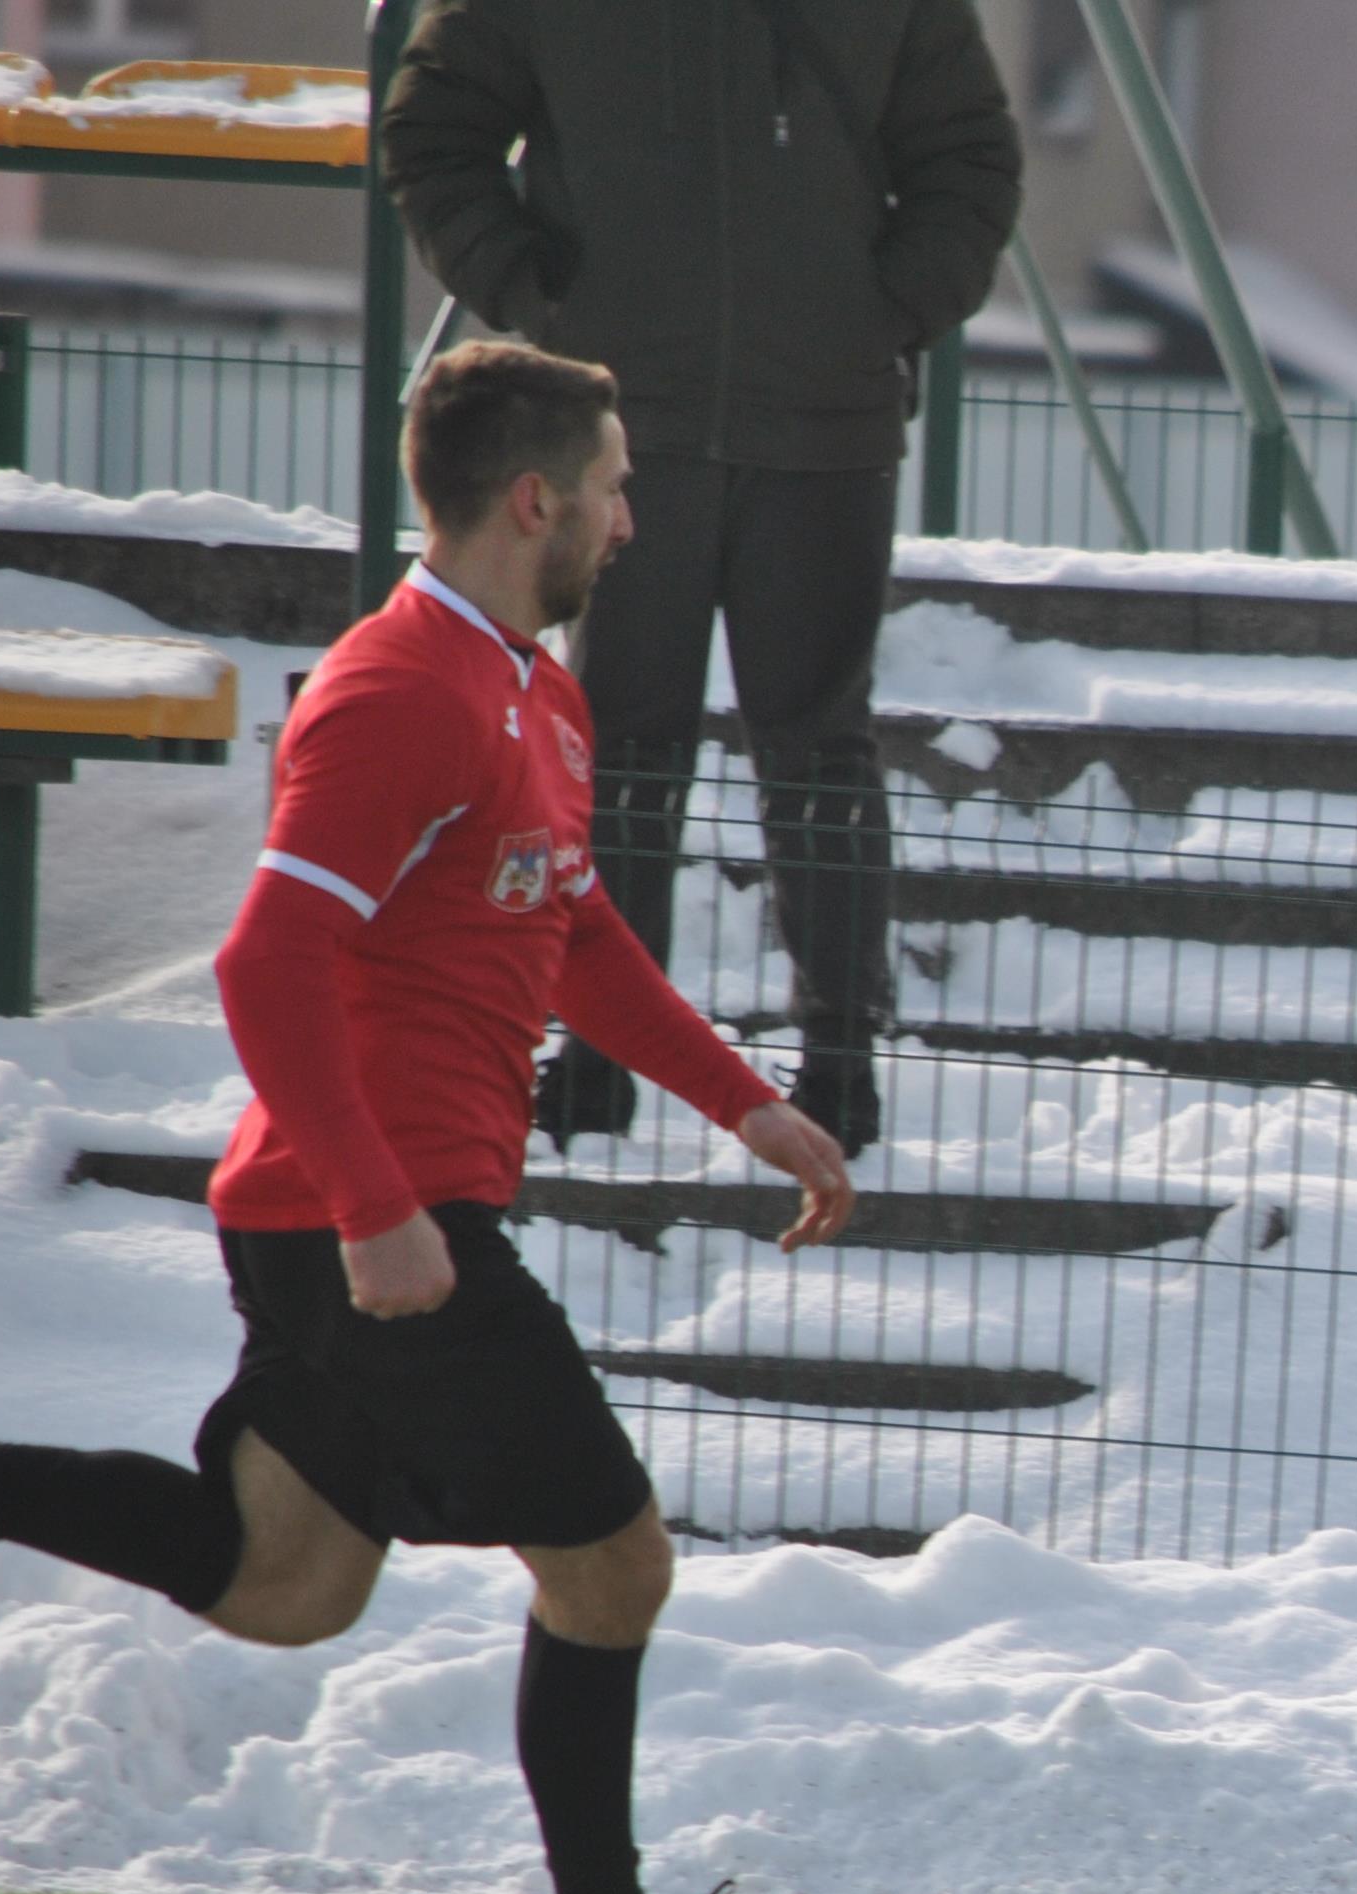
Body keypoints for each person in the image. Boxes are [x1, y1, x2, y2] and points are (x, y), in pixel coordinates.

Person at [0, 344, 859, 1894]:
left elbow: (573, 931)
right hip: (369, 1222)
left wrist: (748, 1104)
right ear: (537, 501)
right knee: (612, 1564)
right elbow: (267, 956)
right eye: (613, 483)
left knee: (285, 1584)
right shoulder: (399, 690)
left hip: (355, 1218)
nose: (630, 517)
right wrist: (376, 1204)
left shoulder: (536, 691)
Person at [383, 0, 1025, 1159]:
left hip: (826, 422)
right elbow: (433, 134)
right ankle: (597, 1056)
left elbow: (968, 159)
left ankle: (840, 1064)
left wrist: (878, 317)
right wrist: (548, 304)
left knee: (818, 746)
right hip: (616, 432)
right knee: (616, 747)